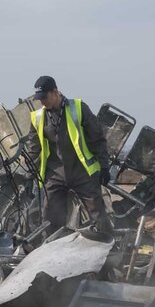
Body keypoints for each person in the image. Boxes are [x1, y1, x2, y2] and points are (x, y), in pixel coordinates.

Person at [26, 76, 112, 233]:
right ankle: (52, 252)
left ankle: (110, 249)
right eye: (39, 99)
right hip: (55, 175)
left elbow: (98, 139)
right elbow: (34, 149)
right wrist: (29, 176)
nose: (42, 102)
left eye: (45, 97)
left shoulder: (78, 108)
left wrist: (104, 167)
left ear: (55, 91)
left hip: (82, 173)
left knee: (98, 216)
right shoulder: (37, 117)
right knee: (51, 219)